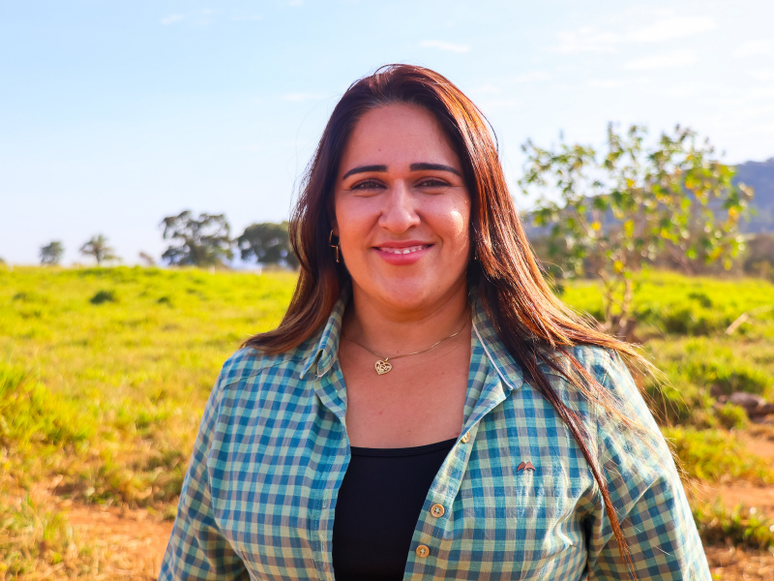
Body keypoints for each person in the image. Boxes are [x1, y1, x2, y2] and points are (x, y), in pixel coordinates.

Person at [159, 64, 710, 581]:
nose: (399, 216)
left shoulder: (580, 383)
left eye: (431, 182)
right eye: (367, 184)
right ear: (331, 215)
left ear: (479, 208)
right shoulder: (249, 387)